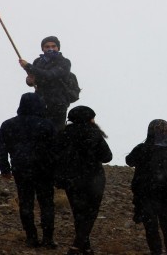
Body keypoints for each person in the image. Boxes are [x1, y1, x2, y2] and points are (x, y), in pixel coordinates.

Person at [0, 93, 59, 248]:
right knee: (46, 203)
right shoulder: (47, 124)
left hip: (21, 168)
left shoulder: (8, 124)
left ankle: (31, 237)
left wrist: (5, 169)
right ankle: (48, 238)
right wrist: (57, 170)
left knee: (25, 203)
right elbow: (56, 149)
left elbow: (1, 149)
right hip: (44, 169)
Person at [56, 106, 113, 255]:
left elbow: (56, 156)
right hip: (94, 179)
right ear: (89, 118)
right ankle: (77, 245)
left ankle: (85, 247)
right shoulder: (94, 133)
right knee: (91, 213)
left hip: (72, 179)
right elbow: (107, 157)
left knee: (79, 213)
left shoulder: (64, 134)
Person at [126, 119, 167, 255]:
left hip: (145, 193)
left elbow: (129, 161)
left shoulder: (142, 148)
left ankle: (156, 252)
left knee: (151, 227)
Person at [19, 35, 72, 131]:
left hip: (58, 103)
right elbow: (34, 79)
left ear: (58, 48)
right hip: (39, 103)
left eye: (53, 46)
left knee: (56, 133)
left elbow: (50, 75)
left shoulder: (64, 62)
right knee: (38, 133)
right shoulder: (38, 61)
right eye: (47, 46)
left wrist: (28, 66)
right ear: (42, 49)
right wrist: (30, 80)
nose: (50, 49)